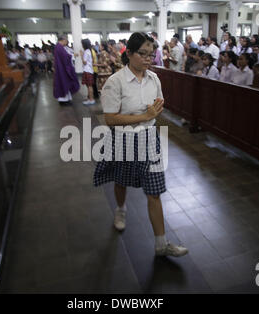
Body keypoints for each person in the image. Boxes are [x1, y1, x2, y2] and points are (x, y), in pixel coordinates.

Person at [94, 32, 189, 258]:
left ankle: (161, 244)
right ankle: (121, 210)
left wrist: (150, 115)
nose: (148, 59)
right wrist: (144, 115)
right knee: (121, 180)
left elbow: (157, 107)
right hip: (123, 138)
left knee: (154, 191)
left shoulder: (154, 79)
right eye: (142, 54)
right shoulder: (115, 82)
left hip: (148, 137)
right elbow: (111, 119)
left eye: (151, 54)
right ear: (129, 54)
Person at [53, 35, 80, 105]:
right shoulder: (59, 47)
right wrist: (73, 56)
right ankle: (63, 101)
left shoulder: (59, 47)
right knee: (64, 83)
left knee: (65, 83)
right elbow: (65, 57)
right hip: (62, 70)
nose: (67, 42)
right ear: (63, 40)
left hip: (62, 68)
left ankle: (66, 99)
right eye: (66, 40)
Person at [80, 38, 95, 105]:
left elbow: (84, 62)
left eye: (82, 44)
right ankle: (90, 98)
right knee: (89, 86)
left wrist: (81, 55)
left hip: (87, 70)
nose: (82, 45)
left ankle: (91, 99)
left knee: (89, 86)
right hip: (89, 70)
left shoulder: (86, 51)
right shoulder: (89, 51)